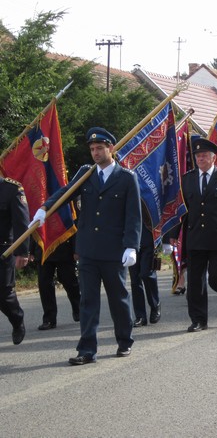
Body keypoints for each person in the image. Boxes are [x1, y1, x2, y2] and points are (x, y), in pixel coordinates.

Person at [30, 127, 142, 364]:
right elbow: (65, 193)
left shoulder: (126, 178)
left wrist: (131, 245)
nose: (95, 153)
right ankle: (87, 350)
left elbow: (133, 216)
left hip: (113, 251)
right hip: (88, 249)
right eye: (92, 149)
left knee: (118, 299)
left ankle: (124, 340)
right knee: (88, 301)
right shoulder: (85, 173)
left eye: (99, 148)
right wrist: (44, 208)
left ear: (110, 148)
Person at [180, 136, 217, 332]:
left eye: (204, 155)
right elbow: (182, 210)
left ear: (213, 158)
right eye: (198, 156)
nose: (201, 159)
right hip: (195, 237)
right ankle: (198, 320)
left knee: (215, 277)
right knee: (195, 283)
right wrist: (174, 234)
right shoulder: (187, 179)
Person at [0, 176, 30, 345]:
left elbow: (21, 222)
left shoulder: (12, 189)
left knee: (3, 293)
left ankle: (17, 319)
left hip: (4, 249)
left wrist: (22, 252)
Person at [31, 237, 80, 330]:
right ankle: (49, 319)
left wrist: (76, 249)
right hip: (43, 248)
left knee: (69, 281)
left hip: (64, 246)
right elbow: (33, 228)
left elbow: (73, 226)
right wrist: (31, 250)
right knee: (44, 284)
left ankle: (78, 308)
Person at [129, 207, 161, 327]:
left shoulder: (149, 187)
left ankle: (155, 305)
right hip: (131, 240)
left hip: (149, 236)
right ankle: (140, 316)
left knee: (146, 274)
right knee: (135, 279)